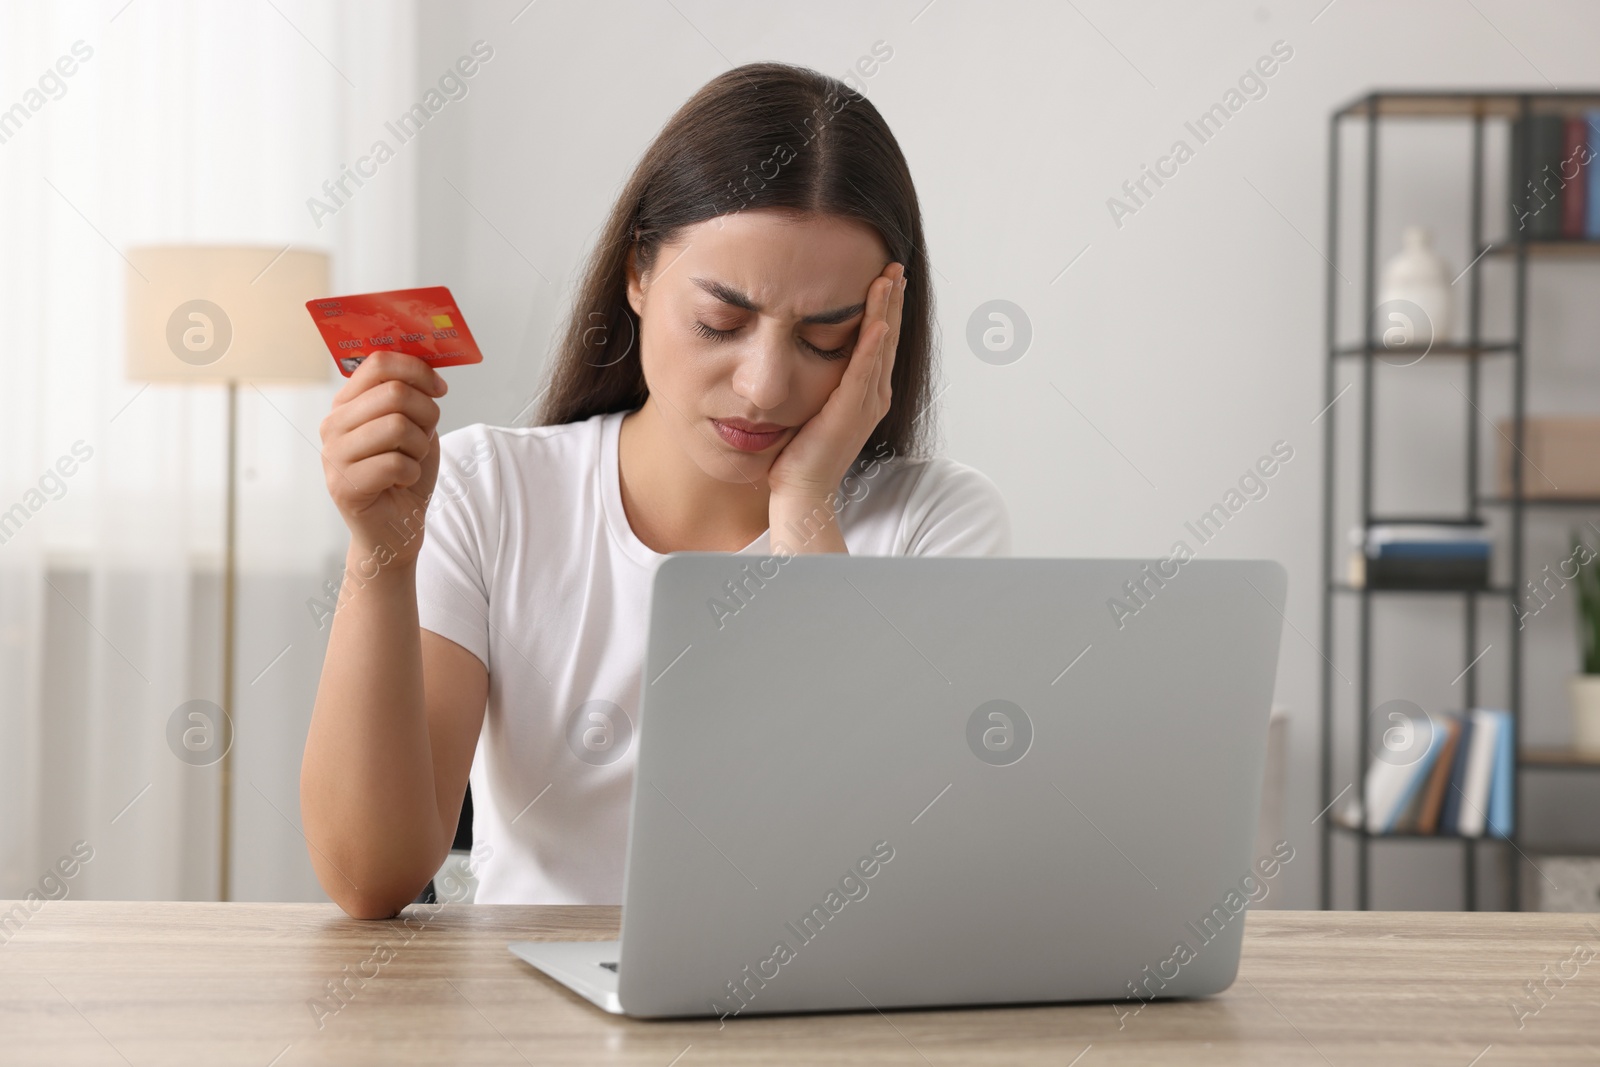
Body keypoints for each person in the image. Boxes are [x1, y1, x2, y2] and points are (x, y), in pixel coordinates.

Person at [301, 61, 1010, 918]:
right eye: (722, 323)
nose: (763, 385)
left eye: (827, 339)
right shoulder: (491, 491)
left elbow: (896, 870)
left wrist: (807, 508)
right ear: (639, 273)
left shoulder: (938, 521)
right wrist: (380, 555)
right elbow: (369, 878)